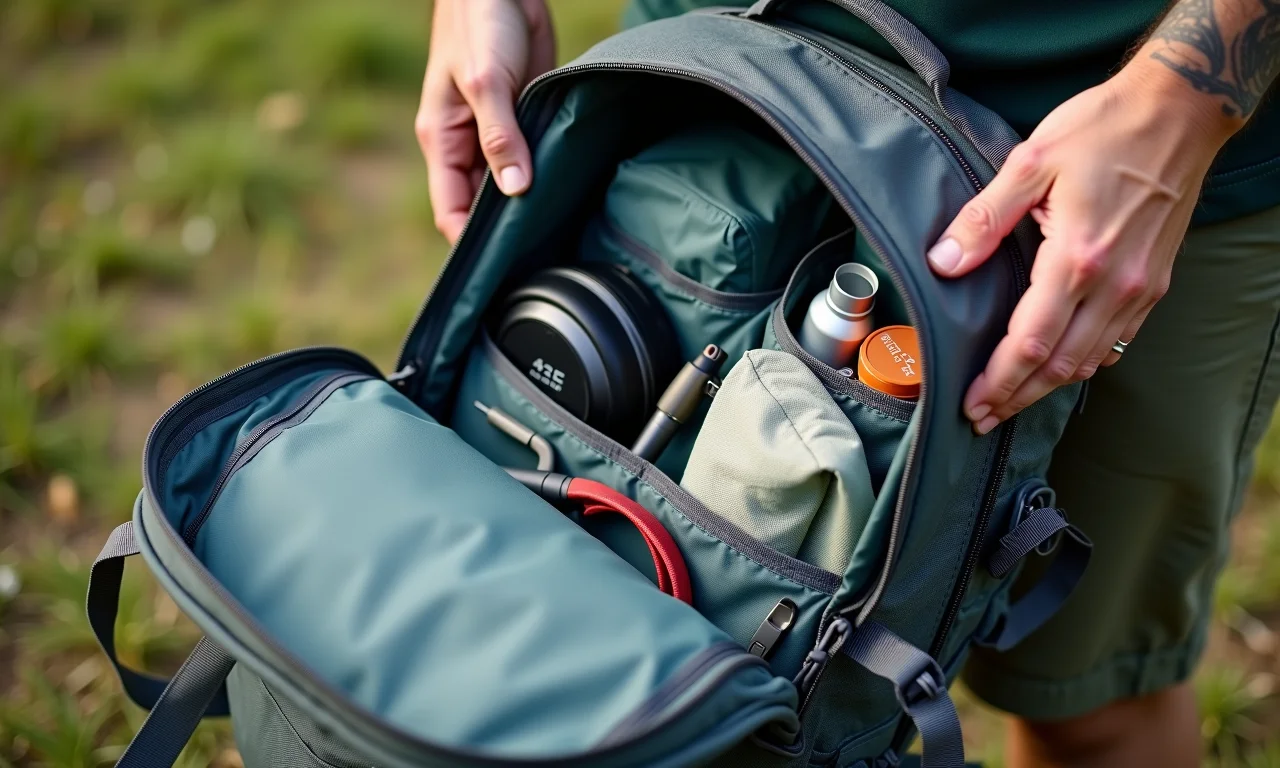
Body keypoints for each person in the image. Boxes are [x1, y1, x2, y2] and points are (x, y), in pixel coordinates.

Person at [415, 1, 1280, 764]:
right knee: (550, 600)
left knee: (1092, 704)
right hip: (713, 67)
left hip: (1111, 173)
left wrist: (1181, 104)